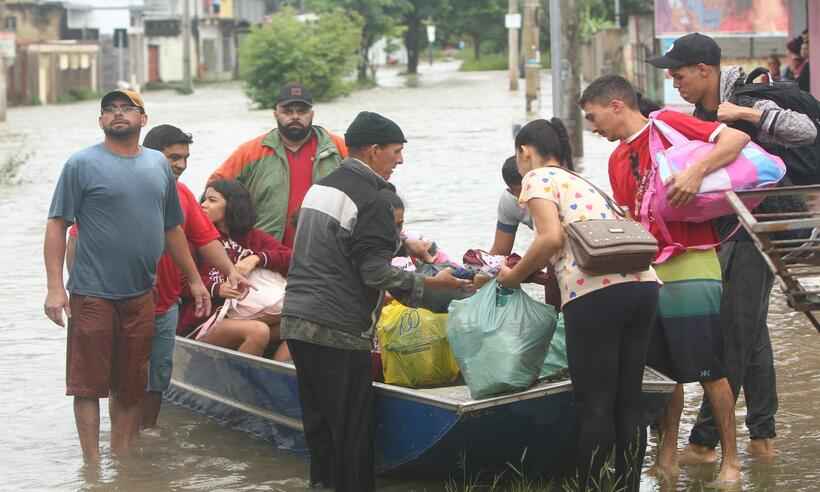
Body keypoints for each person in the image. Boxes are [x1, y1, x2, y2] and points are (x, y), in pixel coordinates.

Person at [648, 32, 817, 461]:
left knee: (734, 332)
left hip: (763, 225)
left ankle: (704, 443)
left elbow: (805, 130)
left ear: (704, 69)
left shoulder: (744, 95)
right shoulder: (699, 111)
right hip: (732, 225)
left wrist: (744, 113)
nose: (674, 80)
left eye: (679, 72)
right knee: (752, 331)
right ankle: (764, 440)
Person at [280, 111, 470, 491]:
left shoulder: (323, 187)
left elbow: (339, 241)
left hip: (297, 321)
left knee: (321, 428)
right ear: (372, 150)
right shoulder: (376, 198)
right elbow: (375, 274)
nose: (400, 160)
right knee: (353, 433)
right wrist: (434, 287)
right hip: (337, 329)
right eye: (396, 151)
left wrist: (400, 243)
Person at [579, 74, 751, 484]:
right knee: (661, 373)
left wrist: (695, 173)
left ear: (616, 105)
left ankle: (731, 462)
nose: (592, 126)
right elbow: (629, 218)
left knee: (710, 368)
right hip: (648, 270)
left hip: (693, 263)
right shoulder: (616, 159)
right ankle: (667, 458)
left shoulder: (669, 123)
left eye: (593, 116)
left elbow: (736, 141)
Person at [44, 90, 213, 462]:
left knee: (131, 385)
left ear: (143, 119)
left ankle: (121, 465)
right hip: (91, 294)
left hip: (141, 295)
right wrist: (56, 288)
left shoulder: (156, 165)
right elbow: (58, 225)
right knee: (87, 386)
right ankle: (92, 469)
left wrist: (195, 279)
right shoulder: (80, 164)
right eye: (110, 110)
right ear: (101, 121)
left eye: (127, 109)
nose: (118, 114)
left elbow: (172, 228)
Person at [495, 118, 660, 492]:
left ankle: (590, 486)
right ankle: (627, 486)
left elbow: (550, 239)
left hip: (595, 293)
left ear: (525, 152)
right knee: (627, 400)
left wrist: (514, 276)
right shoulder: (584, 182)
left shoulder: (538, 177)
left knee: (595, 402)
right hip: (643, 286)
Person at [66, 124, 249, 430]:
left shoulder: (182, 194)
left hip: (164, 304)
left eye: (185, 158)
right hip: (115, 301)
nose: (181, 165)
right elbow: (76, 239)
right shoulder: (113, 187)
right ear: (149, 157)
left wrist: (230, 273)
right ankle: (114, 454)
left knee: (155, 380)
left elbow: (204, 239)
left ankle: (144, 442)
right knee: (119, 379)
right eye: (173, 157)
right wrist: (79, 291)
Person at [208, 83, 348, 248]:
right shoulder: (251, 152)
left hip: (327, 251)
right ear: (275, 114)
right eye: (287, 111)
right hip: (266, 254)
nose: (295, 116)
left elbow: (370, 186)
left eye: (302, 111)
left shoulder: (339, 149)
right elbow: (214, 188)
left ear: (312, 114)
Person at [182, 179, 293, 360]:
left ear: (232, 205)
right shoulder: (193, 240)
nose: (203, 205)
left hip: (245, 314)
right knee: (258, 331)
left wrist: (256, 258)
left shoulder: (253, 237)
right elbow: (179, 282)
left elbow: (290, 257)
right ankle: (239, 388)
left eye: (212, 200)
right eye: (204, 199)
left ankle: (274, 382)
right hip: (205, 320)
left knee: (299, 324)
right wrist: (217, 289)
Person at [489, 155, 561, 309]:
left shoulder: (551, 190)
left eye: (525, 190)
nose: (522, 199)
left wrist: (518, 274)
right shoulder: (509, 201)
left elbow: (552, 240)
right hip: (549, 249)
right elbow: (500, 251)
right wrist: (482, 274)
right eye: (516, 192)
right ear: (509, 189)